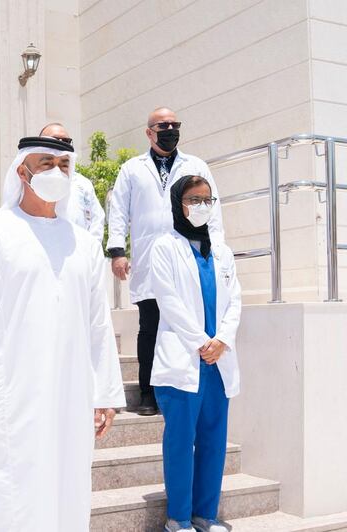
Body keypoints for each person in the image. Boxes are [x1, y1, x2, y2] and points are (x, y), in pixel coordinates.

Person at [0, 136, 126, 532]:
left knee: (68, 489)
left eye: (63, 166)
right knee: (8, 496)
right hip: (9, 394)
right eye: (45, 163)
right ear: (22, 172)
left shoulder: (82, 243)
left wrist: (105, 394)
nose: (55, 172)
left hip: (71, 394)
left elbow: (98, 324)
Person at [107, 107, 225, 416]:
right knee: (150, 327)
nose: (169, 129)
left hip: (188, 257)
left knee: (187, 324)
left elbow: (212, 207)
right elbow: (118, 209)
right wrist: (117, 251)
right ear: (149, 132)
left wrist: (216, 250)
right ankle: (148, 394)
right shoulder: (132, 169)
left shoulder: (195, 165)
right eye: (163, 125)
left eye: (174, 124)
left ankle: (183, 391)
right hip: (149, 259)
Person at [150, 175, 241, 532]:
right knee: (179, 441)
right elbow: (168, 300)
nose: (201, 206)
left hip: (218, 360)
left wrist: (223, 340)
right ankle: (180, 518)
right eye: (193, 199)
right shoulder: (164, 247)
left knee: (214, 440)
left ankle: (206, 514)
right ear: (178, 203)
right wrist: (202, 341)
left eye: (207, 200)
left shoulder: (222, 250)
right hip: (185, 357)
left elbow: (235, 299)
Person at [40, 122, 105, 242]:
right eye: (54, 139)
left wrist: (90, 250)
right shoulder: (33, 181)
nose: (59, 144)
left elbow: (97, 220)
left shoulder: (83, 183)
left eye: (65, 141)